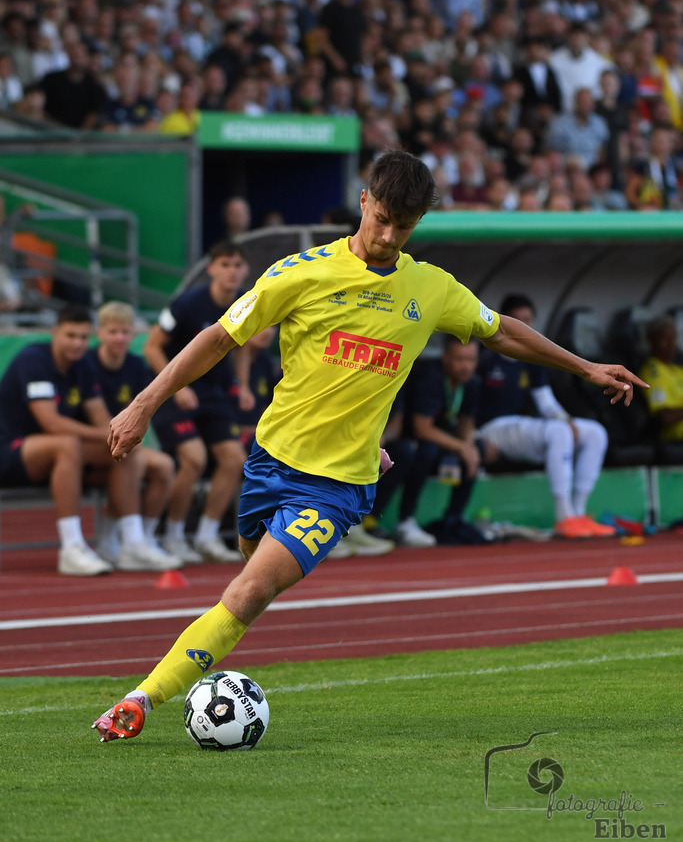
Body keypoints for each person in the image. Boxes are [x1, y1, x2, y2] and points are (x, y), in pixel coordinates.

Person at [92, 150, 645, 741]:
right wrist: (143, 402)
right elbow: (218, 336)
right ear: (363, 201)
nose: (386, 235)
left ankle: (138, 701)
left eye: (402, 226)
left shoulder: (430, 288)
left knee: (249, 591)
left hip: (337, 486)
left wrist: (584, 367)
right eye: (380, 217)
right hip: (270, 461)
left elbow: (501, 331)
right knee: (246, 573)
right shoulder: (299, 272)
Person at [0, 303, 147, 576]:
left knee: (126, 450)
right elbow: (51, 423)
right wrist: (109, 433)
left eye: (82, 337)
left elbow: (100, 416)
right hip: (10, 450)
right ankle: (71, 547)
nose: (77, 343)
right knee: (67, 444)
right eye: (70, 336)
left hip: (52, 453)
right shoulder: (33, 360)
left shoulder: (83, 366)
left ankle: (131, 543)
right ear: (55, 332)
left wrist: (118, 437)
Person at [477, 293, 616, 539]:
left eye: (528, 321)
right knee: (557, 431)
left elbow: (546, 402)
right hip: (489, 430)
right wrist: (475, 440)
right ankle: (564, 516)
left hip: (518, 430)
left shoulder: (530, 359)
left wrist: (566, 420)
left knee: (594, 432)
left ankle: (579, 513)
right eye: (517, 320)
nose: (524, 326)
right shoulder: (484, 357)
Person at [145, 242, 250, 565]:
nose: (232, 271)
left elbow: (243, 346)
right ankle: (173, 536)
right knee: (194, 459)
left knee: (234, 460)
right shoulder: (188, 303)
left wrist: (243, 385)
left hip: (214, 393)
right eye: (226, 265)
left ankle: (206, 536)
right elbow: (152, 347)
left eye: (237, 265)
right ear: (212, 269)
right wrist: (176, 388)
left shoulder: (244, 303)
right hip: (177, 391)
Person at [85, 302, 181, 570]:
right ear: (99, 333)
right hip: (93, 443)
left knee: (164, 464)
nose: (119, 337)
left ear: (133, 334)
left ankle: (142, 540)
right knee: (132, 459)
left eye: (125, 332)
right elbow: (99, 418)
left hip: (120, 442)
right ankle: (128, 542)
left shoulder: (136, 366)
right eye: (113, 331)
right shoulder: (87, 363)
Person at [390, 337, 484, 547]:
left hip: (443, 441)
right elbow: (421, 428)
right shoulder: (430, 377)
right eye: (460, 359)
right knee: (427, 452)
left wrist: (468, 446)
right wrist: (461, 446)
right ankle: (406, 520)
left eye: (471, 359)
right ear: (445, 357)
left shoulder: (472, 382)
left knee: (476, 450)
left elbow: (466, 422)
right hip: (412, 441)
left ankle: (453, 519)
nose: (466, 365)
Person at [639, 315, 683, 444]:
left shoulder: (679, 370)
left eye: (673, 337)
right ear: (651, 341)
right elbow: (665, 417)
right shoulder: (652, 371)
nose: (671, 343)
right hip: (674, 438)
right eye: (665, 337)